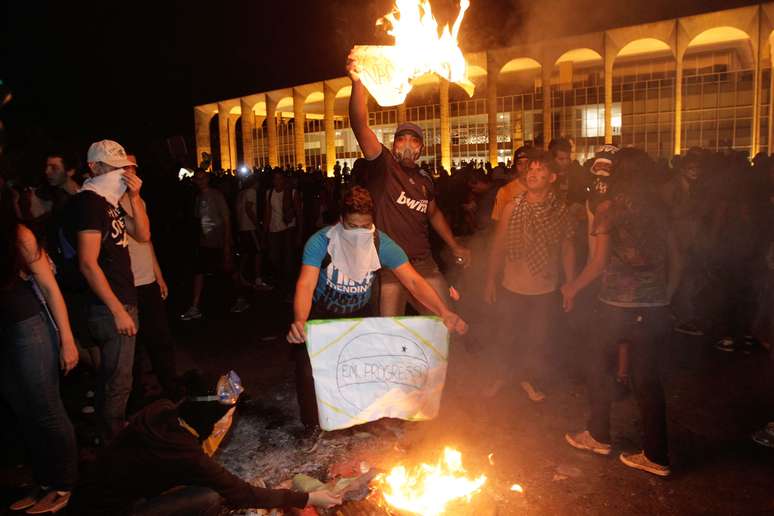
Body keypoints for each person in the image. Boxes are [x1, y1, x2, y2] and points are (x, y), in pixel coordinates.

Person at [287, 186, 468, 431]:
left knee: (364, 370)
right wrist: (300, 320)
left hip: (359, 313)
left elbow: (414, 281)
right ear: (341, 221)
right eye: (353, 227)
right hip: (322, 315)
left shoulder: (382, 243)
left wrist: (443, 312)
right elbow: (306, 283)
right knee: (309, 369)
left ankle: (363, 421)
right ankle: (312, 425)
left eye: (366, 226)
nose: (360, 233)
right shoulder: (321, 242)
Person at [562, 149, 682, 477]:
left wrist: (571, 287)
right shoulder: (662, 210)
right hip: (655, 308)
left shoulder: (607, 210)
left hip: (616, 306)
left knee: (598, 369)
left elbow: (598, 263)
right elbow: (677, 261)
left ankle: (598, 436)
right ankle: (657, 456)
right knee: (648, 381)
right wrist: (665, 295)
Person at [69, 370, 341, 515]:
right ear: (214, 416)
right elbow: (240, 494)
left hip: (87, 496)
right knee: (211, 496)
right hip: (114, 511)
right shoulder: (185, 453)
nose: (230, 421)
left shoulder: (164, 409)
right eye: (230, 413)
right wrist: (307, 497)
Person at [347, 50, 470, 316]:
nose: (406, 144)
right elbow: (359, 125)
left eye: (413, 140)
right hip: (390, 266)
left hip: (424, 264)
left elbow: (434, 213)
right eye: (401, 138)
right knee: (389, 332)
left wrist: (454, 245)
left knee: (442, 325)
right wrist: (358, 82)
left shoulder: (426, 179)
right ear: (394, 144)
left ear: (420, 149)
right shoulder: (384, 165)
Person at [64, 139, 151, 442]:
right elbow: (88, 263)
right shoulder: (88, 203)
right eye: (113, 168)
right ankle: (113, 445)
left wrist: (136, 196)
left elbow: (142, 233)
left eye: (123, 168)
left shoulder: (106, 202)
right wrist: (117, 310)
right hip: (110, 307)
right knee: (117, 381)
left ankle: (109, 436)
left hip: (121, 301)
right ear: (94, 167)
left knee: (116, 377)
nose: (121, 174)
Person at [1, 182, 79, 514]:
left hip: (29, 329)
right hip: (4, 334)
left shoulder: (18, 234)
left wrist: (67, 340)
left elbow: (49, 288)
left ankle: (64, 485)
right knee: (24, 410)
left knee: (46, 410)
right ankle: (45, 482)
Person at [483, 150, 576, 401]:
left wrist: (570, 284)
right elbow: (498, 246)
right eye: (530, 170)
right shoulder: (513, 207)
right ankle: (500, 376)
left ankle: (529, 379)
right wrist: (491, 280)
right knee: (506, 335)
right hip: (512, 285)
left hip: (544, 288)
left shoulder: (560, 211)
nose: (533, 174)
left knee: (537, 339)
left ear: (552, 177)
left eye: (540, 171)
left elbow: (567, 248)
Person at [119, 154, 177, 401]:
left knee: (160, 340)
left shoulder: (139, 200)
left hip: (148, 282)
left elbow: (147, 239)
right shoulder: (109, 203)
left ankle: (172, 391)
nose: (131, 171)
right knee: (133, 349)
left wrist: (159, 275)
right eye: (125, 166)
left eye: (133, 166)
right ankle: (136, 399)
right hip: (127, 285)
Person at [180, 170, 234, 320]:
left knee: (225, 272)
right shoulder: (198, 197)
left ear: (207, 179)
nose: (200, 181)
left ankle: (235, 299)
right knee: (200, 271)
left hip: (218, 241)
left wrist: (227, 243)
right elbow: (198, 220)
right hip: (205, 243)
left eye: (202, 178)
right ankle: (196, 305)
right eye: (197, 179)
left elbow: (226, 219)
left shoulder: (216, 195)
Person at [264, 170, 302, 300]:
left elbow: (299, 213)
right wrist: (265, 232)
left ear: (284, 180)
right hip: (274, 230)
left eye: (280, 179)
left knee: (288, 261)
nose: (277, 182)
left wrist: (299, 233)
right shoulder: (269, 193)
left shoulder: (292, 193)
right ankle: (282, 283)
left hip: (288, 230)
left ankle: (289, 288)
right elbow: (268, 213)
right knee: (274, 258)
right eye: (275, 179)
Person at [491, 146, 529, 222]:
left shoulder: (541, 188)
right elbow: (497, 222)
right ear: (515, 166)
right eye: (519, 164)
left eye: (527, 163)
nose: (524, 167)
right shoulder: (505, 191)